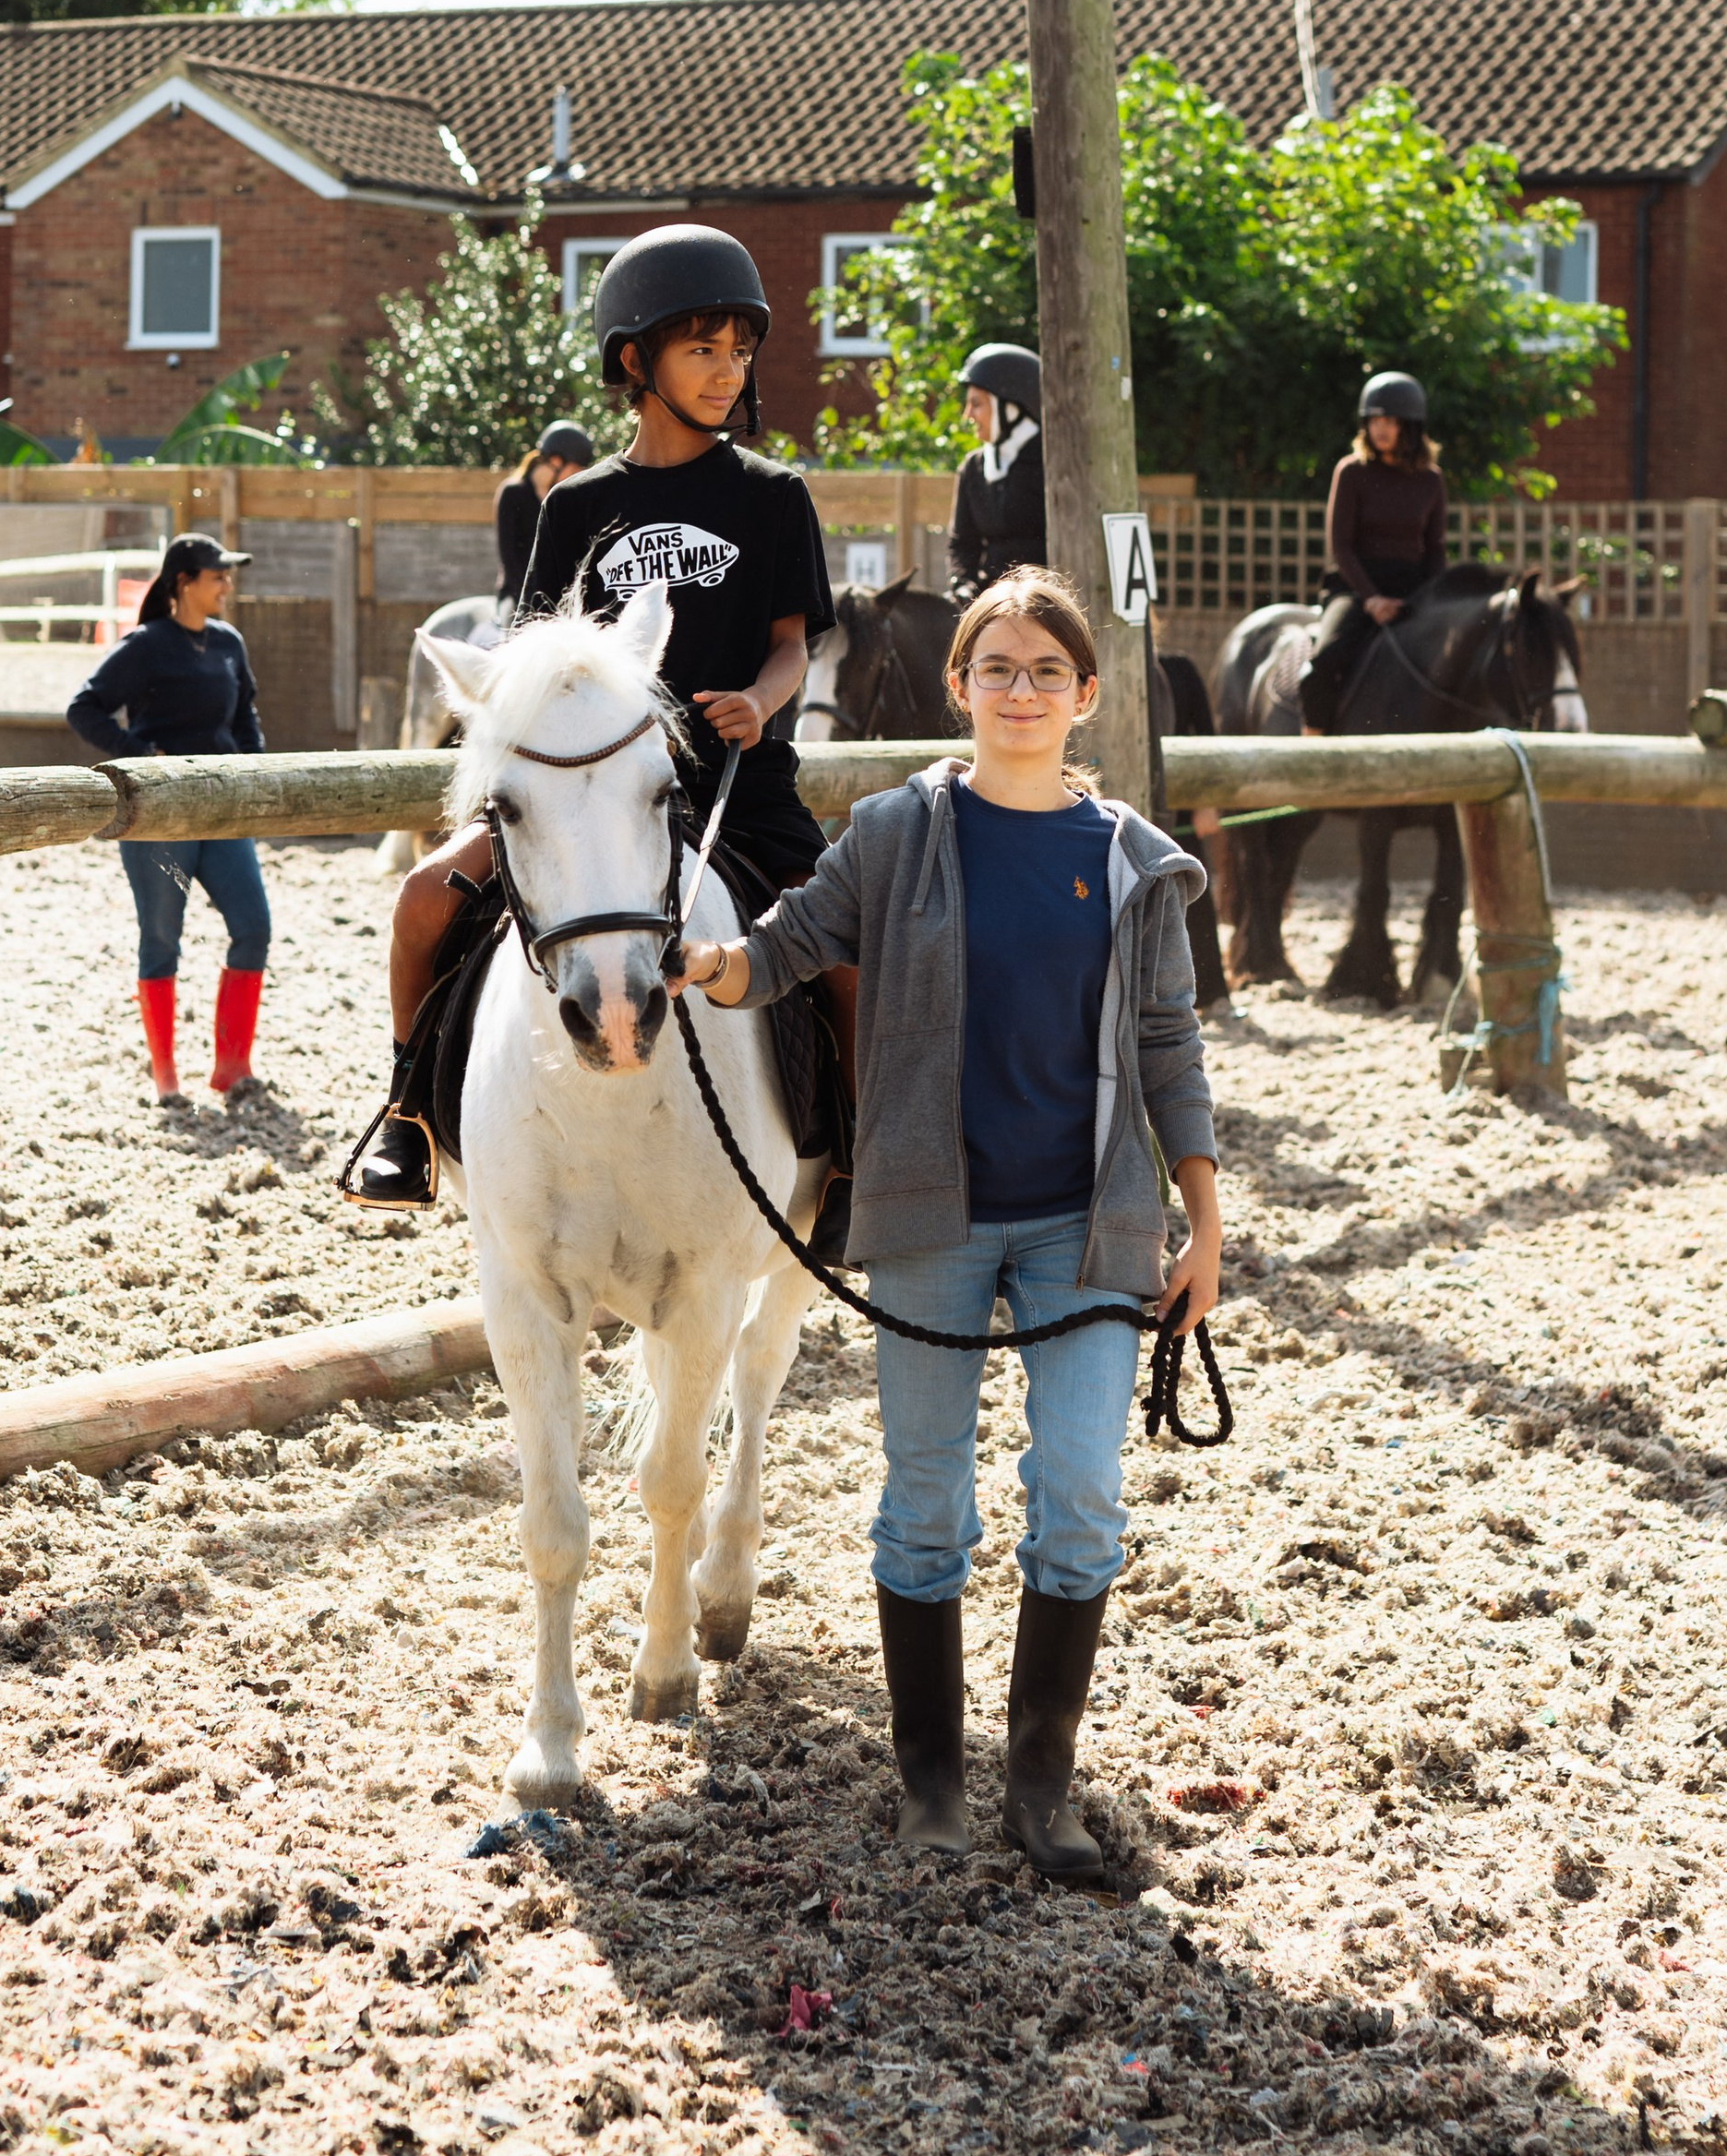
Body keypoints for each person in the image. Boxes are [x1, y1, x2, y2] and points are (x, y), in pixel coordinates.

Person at [671, 565, 1219, 1881]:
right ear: (960, 685)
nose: (1018, 690)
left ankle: (1040, 1788)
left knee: (1081, 1501)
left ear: (1086, 695)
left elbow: (1169, 1044)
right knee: (925, 1507)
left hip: (1090, 1226)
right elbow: (788, 947)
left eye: (1045, 671)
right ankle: (929, 1785)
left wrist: (1204, 1223)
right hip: (929, 1217)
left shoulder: (1134, 863)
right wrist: (706, 964)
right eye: (996, 668)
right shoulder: (896, 832)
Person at [339, 222, 843, 1211]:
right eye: (702, 348)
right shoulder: (574, 507)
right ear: (633, 359)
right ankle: (406, 1115)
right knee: (424, 903)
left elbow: (795, 640)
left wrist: (762, 701)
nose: (728, 371)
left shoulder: (776, 497)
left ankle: (857, 1162)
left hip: (735, 787)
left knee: (848, 950)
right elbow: (537, 662)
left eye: (739, 351)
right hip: (581, 791)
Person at [66, 532, 271, 1106]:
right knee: (161, 940)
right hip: (159, 816)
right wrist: (136, 753)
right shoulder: (146, 645)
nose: (227, 585)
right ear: (184, 583)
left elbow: (246, 715)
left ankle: (233, 1068)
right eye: (217, 576)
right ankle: (165, 1078)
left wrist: (257, 771)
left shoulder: (230, 643)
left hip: (224, 811)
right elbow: (83, 707)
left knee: (253, 927)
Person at [1297, 371, 1448, 735]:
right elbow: (1341, 546)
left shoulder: (1431, 480)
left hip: (1412, 592)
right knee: (1323, 663)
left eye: (1390, 421)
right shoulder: (1351, 472)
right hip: (1355, 589)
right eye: (1374, 420)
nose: (1380, 429)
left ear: (1409, 427)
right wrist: (1372, 599)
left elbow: (1435, 550)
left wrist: (1433, 600)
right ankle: (1310, 750)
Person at [945, 341, 1047, 602]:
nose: (968, 414)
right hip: (990, 600)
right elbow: (962, 543)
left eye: (976, 404)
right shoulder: (973, 468)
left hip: (1046, 601)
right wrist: (962, 582)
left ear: (1009, 407)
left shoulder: (1051, 466)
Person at [494, 421, 595, 606]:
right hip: (518, 593)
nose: (576, 476)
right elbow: (509, 555)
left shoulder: (561, 499)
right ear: (557, 461)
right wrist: (528, 601)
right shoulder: (512, 493)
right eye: (574, 470)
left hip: (558, 596)